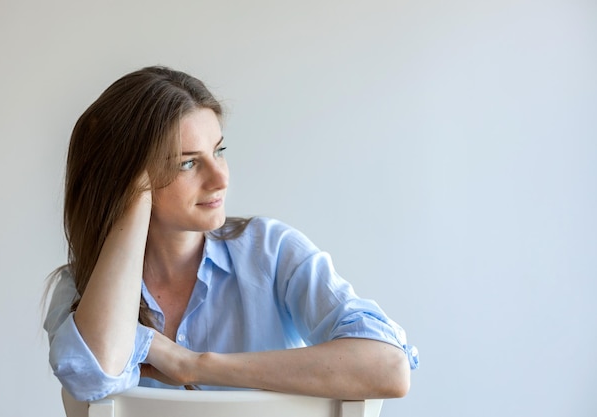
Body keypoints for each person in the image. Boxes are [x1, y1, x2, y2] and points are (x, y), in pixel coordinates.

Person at [43, 66, 419, 403]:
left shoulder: (271, 251)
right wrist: (130, 199)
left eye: (218, 151)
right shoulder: (80, 287)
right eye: (188, 163)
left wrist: (195, 365)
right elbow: (90, 378)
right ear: (128, 184)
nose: (221, 178)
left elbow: (388, 367)